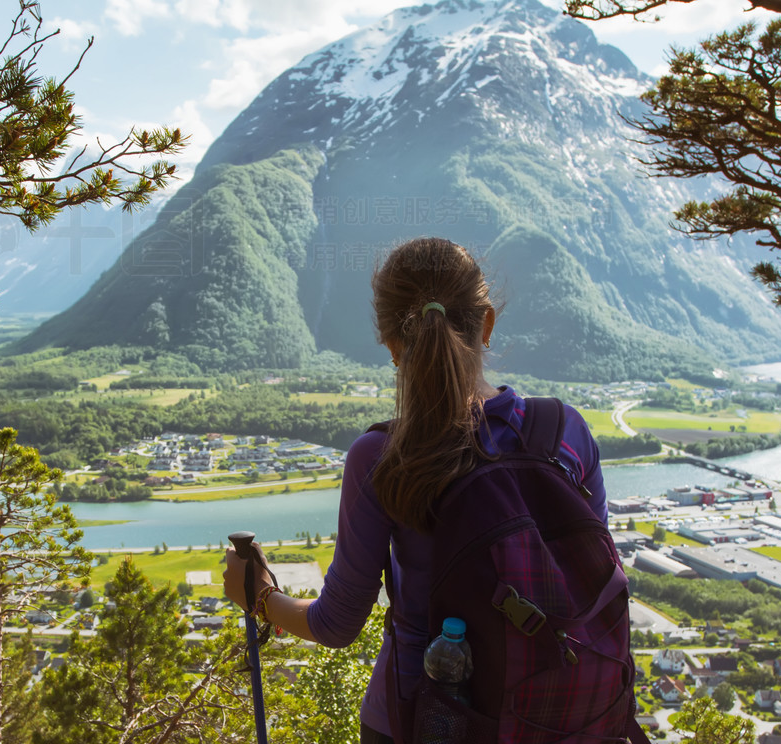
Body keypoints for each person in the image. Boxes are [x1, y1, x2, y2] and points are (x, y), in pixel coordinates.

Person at [223, 237, 607, 744]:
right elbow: (600, 583)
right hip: (558, 716)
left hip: (423, 721)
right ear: (486, 323)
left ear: (391, 345)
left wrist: (259, 597)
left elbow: (336, 624)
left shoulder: (382, 456)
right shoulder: (564, 430)